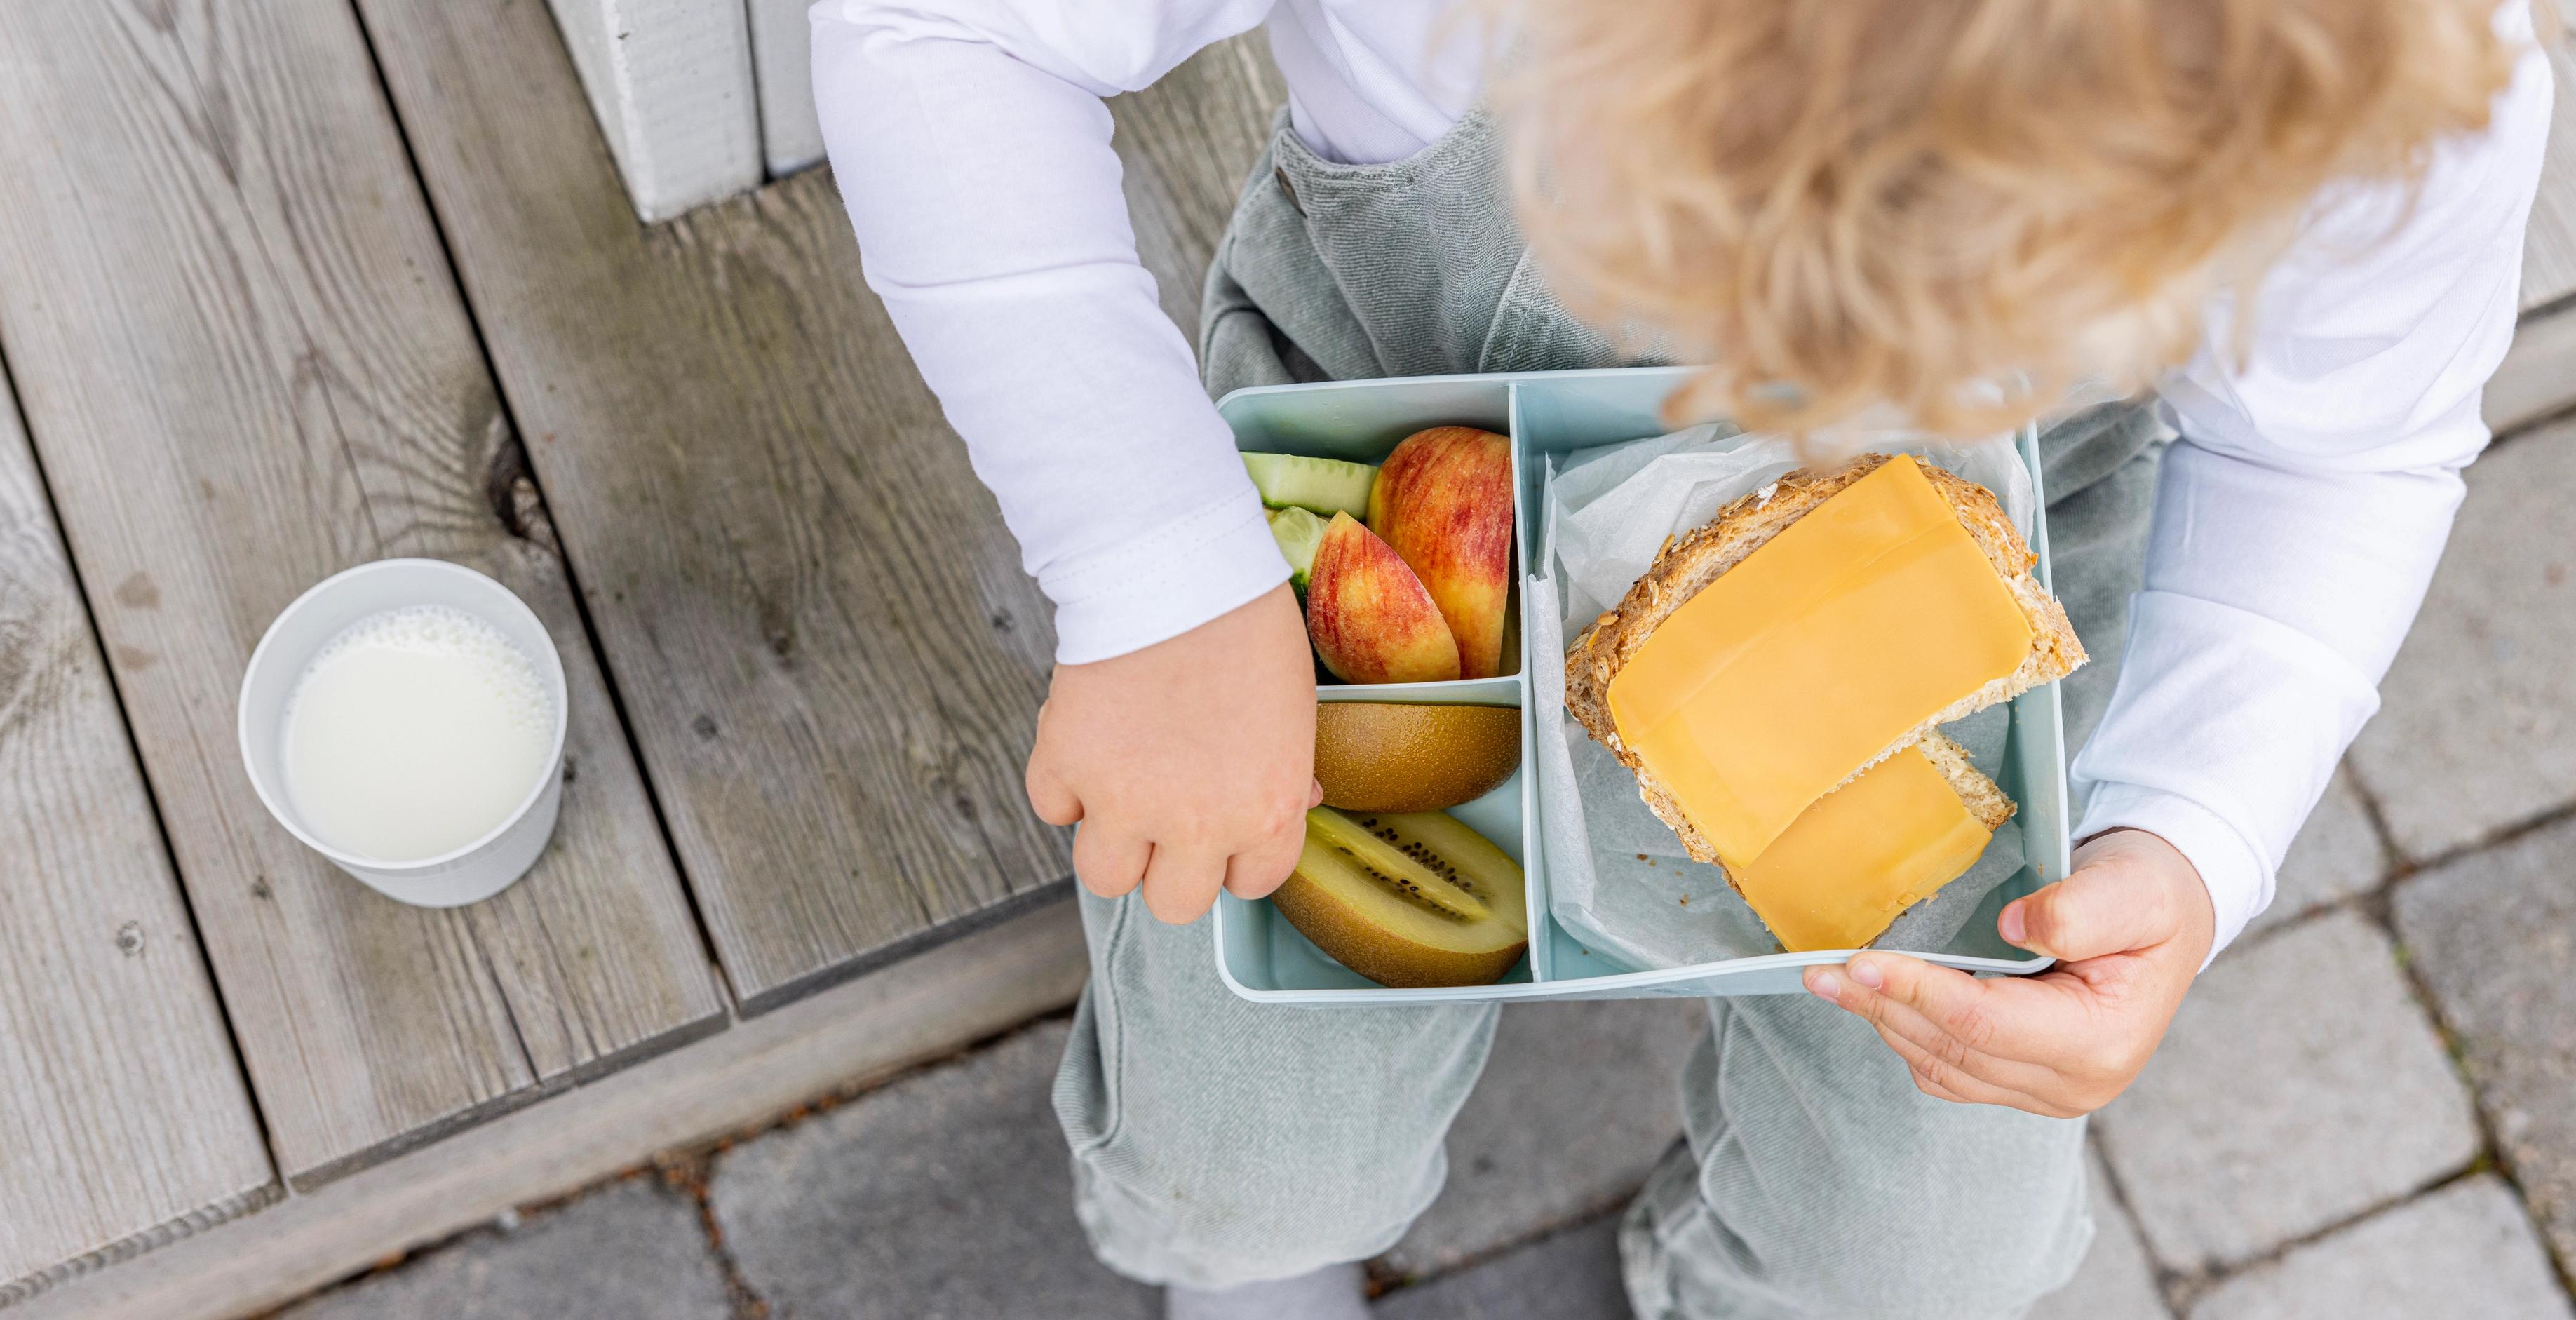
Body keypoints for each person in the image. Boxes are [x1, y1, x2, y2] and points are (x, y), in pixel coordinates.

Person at [808, 1, 2554, 1315]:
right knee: (1243, 1161)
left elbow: (2339, 449)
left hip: (1965, 586)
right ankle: (1253, 1244)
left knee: (1916, 1260)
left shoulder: (2384, 60)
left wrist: (2192, 830)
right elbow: (938, 26)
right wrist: (1156, 571)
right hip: (1405, 450)